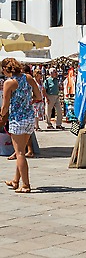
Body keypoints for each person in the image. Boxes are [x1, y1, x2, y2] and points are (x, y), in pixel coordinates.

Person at [2, 58, 42, 193]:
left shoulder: (9, 83)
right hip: (30, 118)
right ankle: (15, 181)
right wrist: (28, 102)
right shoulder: (28, 78)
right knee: (21, 152)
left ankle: (25, 185)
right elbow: (39, 96)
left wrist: (1, 116)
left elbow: (5, 106)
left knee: (19, 153)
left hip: (17, 120)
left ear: (5, 69)